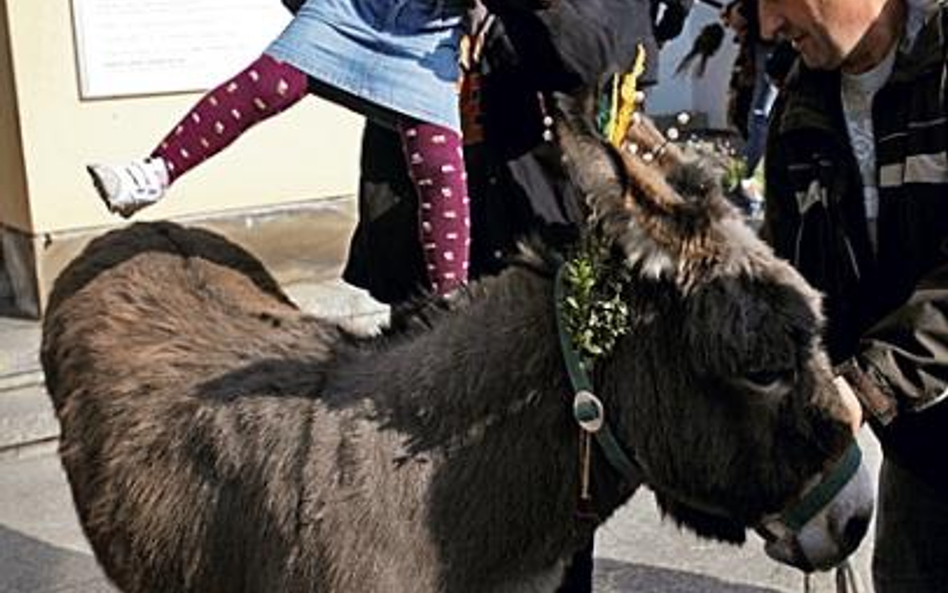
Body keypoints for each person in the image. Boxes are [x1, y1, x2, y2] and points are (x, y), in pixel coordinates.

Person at [86, 0, 492, 296]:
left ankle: (449, 296)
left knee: (439, 165)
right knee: (267, 84)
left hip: (427, 32)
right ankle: (152, 174)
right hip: (352, 10)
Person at [758, 0, 948, 589]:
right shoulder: (800, 109)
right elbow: (793, 283)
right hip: (922, 455)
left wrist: (868, 385)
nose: (767, 26)